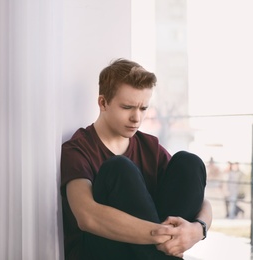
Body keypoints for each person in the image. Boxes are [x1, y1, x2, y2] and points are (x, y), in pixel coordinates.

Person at [60, 58, 212, 260]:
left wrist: (197, 229)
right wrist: (161, 235)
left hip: (147, 252)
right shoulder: (78, 148)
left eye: (143, 109)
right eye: (127, 107)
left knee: (189, 163)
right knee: (119, 168)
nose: (137, 118)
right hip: (100, 252)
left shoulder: (150, 146)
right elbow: (87, 216)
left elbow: (203, 201)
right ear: (103, 103)